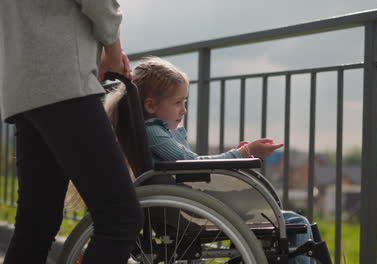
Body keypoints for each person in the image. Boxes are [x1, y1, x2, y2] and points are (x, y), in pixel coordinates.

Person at [105, 56, 316, 264]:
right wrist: (244, 152)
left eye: (184, 102)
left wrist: (239, 153)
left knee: (289, 221)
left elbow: (190, 163)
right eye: (178, 102)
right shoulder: (153, 132)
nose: (184, 110)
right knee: (297, 222)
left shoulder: (151, 132)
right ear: (150, 106)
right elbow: (191, 163)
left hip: (188, 209)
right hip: (191, 213)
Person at [0, 1, 143, 263]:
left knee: (36, 225)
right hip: (63, 80)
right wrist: (112, 53)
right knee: (120, 218)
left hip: (24, 83)